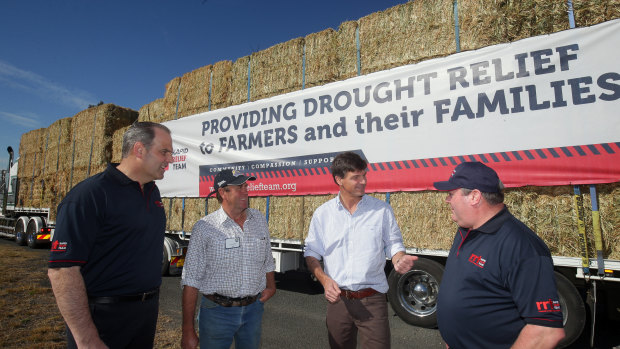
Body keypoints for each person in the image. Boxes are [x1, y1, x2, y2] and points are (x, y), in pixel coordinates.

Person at [48, 121, 174, 348]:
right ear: (139, 150)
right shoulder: (90, 196)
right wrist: (87, 338)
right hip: (103, 319)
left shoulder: (152, 193)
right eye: (164, 152)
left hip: (144, 316)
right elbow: (62, 271)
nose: (171, 159)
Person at [433, 161, 565, 348]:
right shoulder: (466, 230)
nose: (447, 200)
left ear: (474, 196)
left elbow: (546, 331)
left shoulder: (521, 247)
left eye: (451, 194)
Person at [304, 151, 417, 349]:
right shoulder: (323, 214)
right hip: (338, 301)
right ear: (339, 179)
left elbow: (393, 243)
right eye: (356, 177)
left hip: (372, 300)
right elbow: (312, 252)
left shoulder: (381, 210)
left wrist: (399, 258)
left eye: (364, 175)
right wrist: (324, 280)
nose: (363, 181)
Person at [181, 169, 276, 349]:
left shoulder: (259, 220)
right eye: (239, 187)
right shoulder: (205, 228)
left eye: (246, 186)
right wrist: (187, 330)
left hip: (253, 311)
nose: (246, 190)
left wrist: (271, 286)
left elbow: (267, 259)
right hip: (216, 312)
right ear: (223, 192)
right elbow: (191, 279)